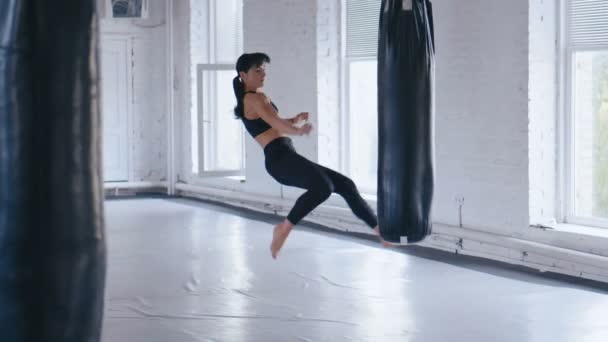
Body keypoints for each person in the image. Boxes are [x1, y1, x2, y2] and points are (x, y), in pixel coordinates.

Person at [231, 52, 392, 259]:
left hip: (285, 156)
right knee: (324, 187)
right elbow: (277, 125)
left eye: (264, 70)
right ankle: (284, 228)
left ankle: (380, 230)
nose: (263, 74)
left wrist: (294, 120)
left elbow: (273, 123)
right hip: (279, 159)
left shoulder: (257, 98)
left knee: (345, 184)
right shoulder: (253, 98)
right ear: (243, 75)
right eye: (257, 70)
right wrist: (297, 130)